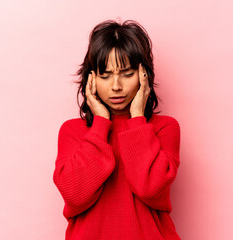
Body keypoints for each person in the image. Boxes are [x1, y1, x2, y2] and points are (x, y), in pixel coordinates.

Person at [53, 19, 181, 240]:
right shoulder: (72, 131)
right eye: (105, 75)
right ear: (90, 78)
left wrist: (138, 118)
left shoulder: (165, 128)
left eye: (127, 74)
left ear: (144, 76)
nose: (116, 86)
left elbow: (149, 188)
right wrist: (101, 124)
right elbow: (75, 196)